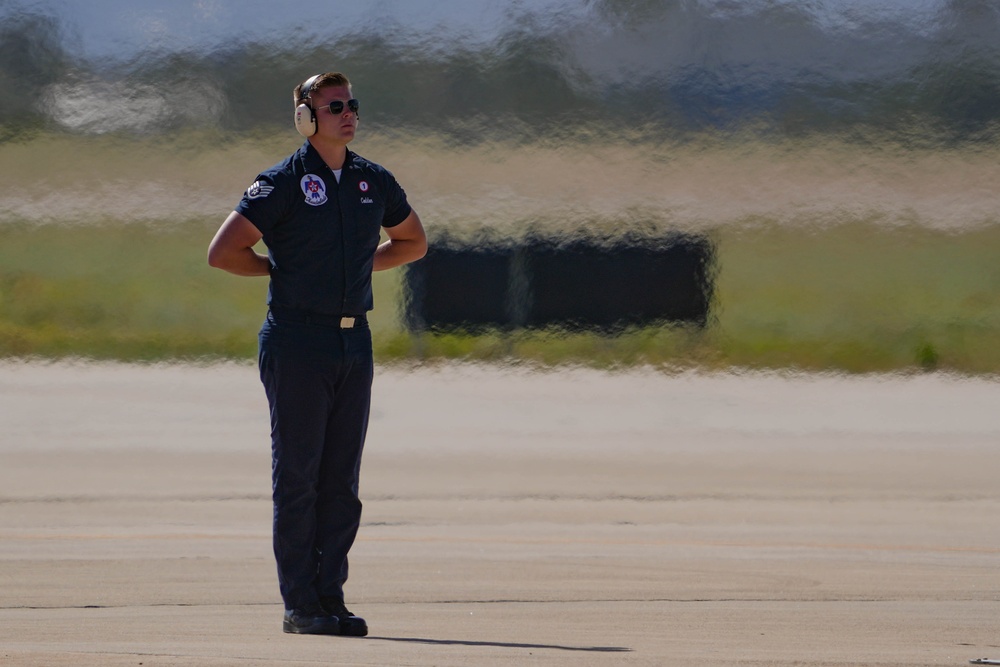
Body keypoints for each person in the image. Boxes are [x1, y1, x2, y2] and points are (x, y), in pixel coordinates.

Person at [207, 72, 427, 636]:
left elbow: (412, 241)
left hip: (354, 341)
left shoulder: (371, 180)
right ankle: (300, 603)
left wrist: (352, 269)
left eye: (352, 104)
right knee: (299, 478)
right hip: (296, 340)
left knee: (341, 483)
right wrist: (282, 270)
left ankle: (332, 597)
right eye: (334, 107)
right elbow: (224, 251)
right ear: (307, 116)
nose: (347, 114)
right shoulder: (282, 181)